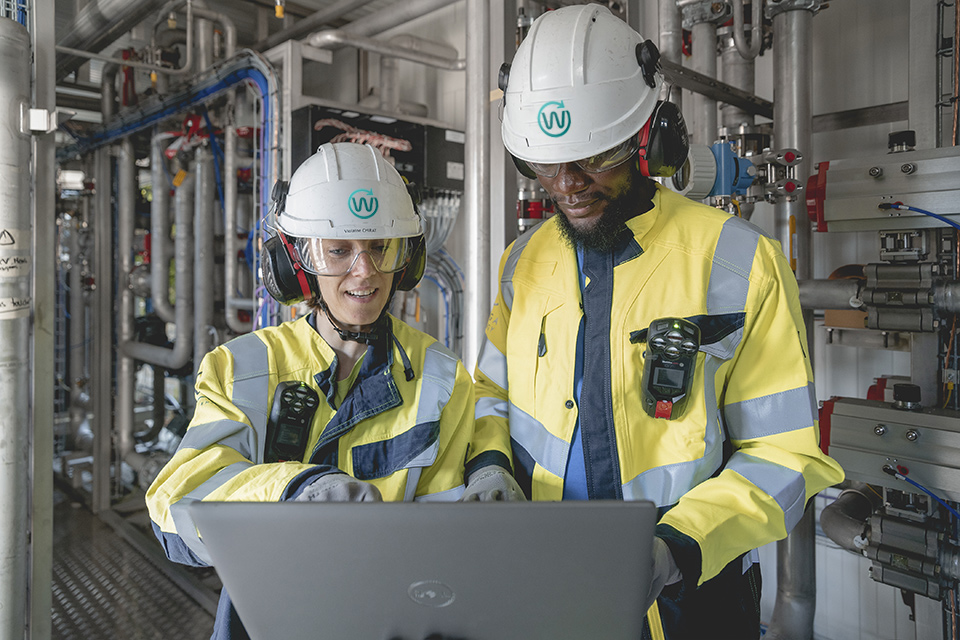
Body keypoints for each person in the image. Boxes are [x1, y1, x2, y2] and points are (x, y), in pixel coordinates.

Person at [465, 5, 845, 639]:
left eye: (595, 159)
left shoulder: (738, 261)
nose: (569, 185)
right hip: (545, 583)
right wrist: (489, 466)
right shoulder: (522, 263)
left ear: (652, 138)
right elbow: (490, 396)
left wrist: (677, 546)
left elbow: (784, 453)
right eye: (546, 165)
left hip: (693, 602)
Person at [146, 142, 476, 640]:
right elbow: (177, 511)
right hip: (271, 621)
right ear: (296, 263)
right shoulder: (242, 369)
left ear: (406, 259)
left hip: (395, 622)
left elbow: (447, 544)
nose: (363, 272)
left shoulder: (443, 377)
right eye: (339, 250)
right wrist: (291, 491)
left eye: (381, 247)